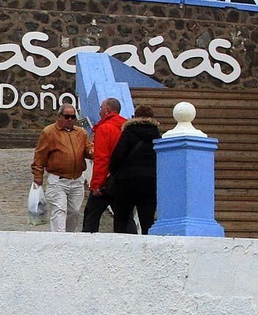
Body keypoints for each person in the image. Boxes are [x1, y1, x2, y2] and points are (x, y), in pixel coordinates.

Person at [31, 101, 91, 232]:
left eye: (73, 117)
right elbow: (40, 155)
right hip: (58, 180)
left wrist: (96, 151)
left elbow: (88, 150)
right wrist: (38, 176)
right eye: (67, 116)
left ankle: (67, 238)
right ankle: (59, 239)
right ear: (59, 116)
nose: (70, 120)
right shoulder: (49, 132)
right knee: (59, 210)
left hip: (77, 180)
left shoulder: (81, 133)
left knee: (74, 212)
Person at [106, 104, 163, 234]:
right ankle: (147, 248)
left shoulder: (128, 132)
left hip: (127, 181)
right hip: (150, 181)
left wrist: (115, 173)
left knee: (122, 218)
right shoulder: (157, 135)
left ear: (135, 116)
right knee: (147, 220)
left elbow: (117, 156)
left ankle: (121, 246)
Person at [82, 97, 133, 233]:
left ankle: (87, 245)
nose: (99, 111)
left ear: (107, 110)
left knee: (91, 216)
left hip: (107, 181)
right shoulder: (127, 127)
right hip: (124, 180)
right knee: (126, 218)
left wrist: (97, 184)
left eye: (101, 108)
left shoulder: (105, 128)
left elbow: (102, 158)